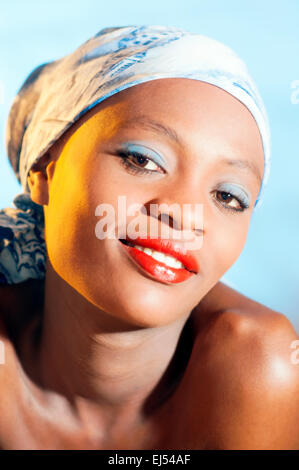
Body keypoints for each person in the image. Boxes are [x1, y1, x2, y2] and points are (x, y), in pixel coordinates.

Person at [0, 25, 298, 450]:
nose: (182, 212)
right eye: (142, 159)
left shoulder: (260, 365)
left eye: (227, 196)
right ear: (44, 168)